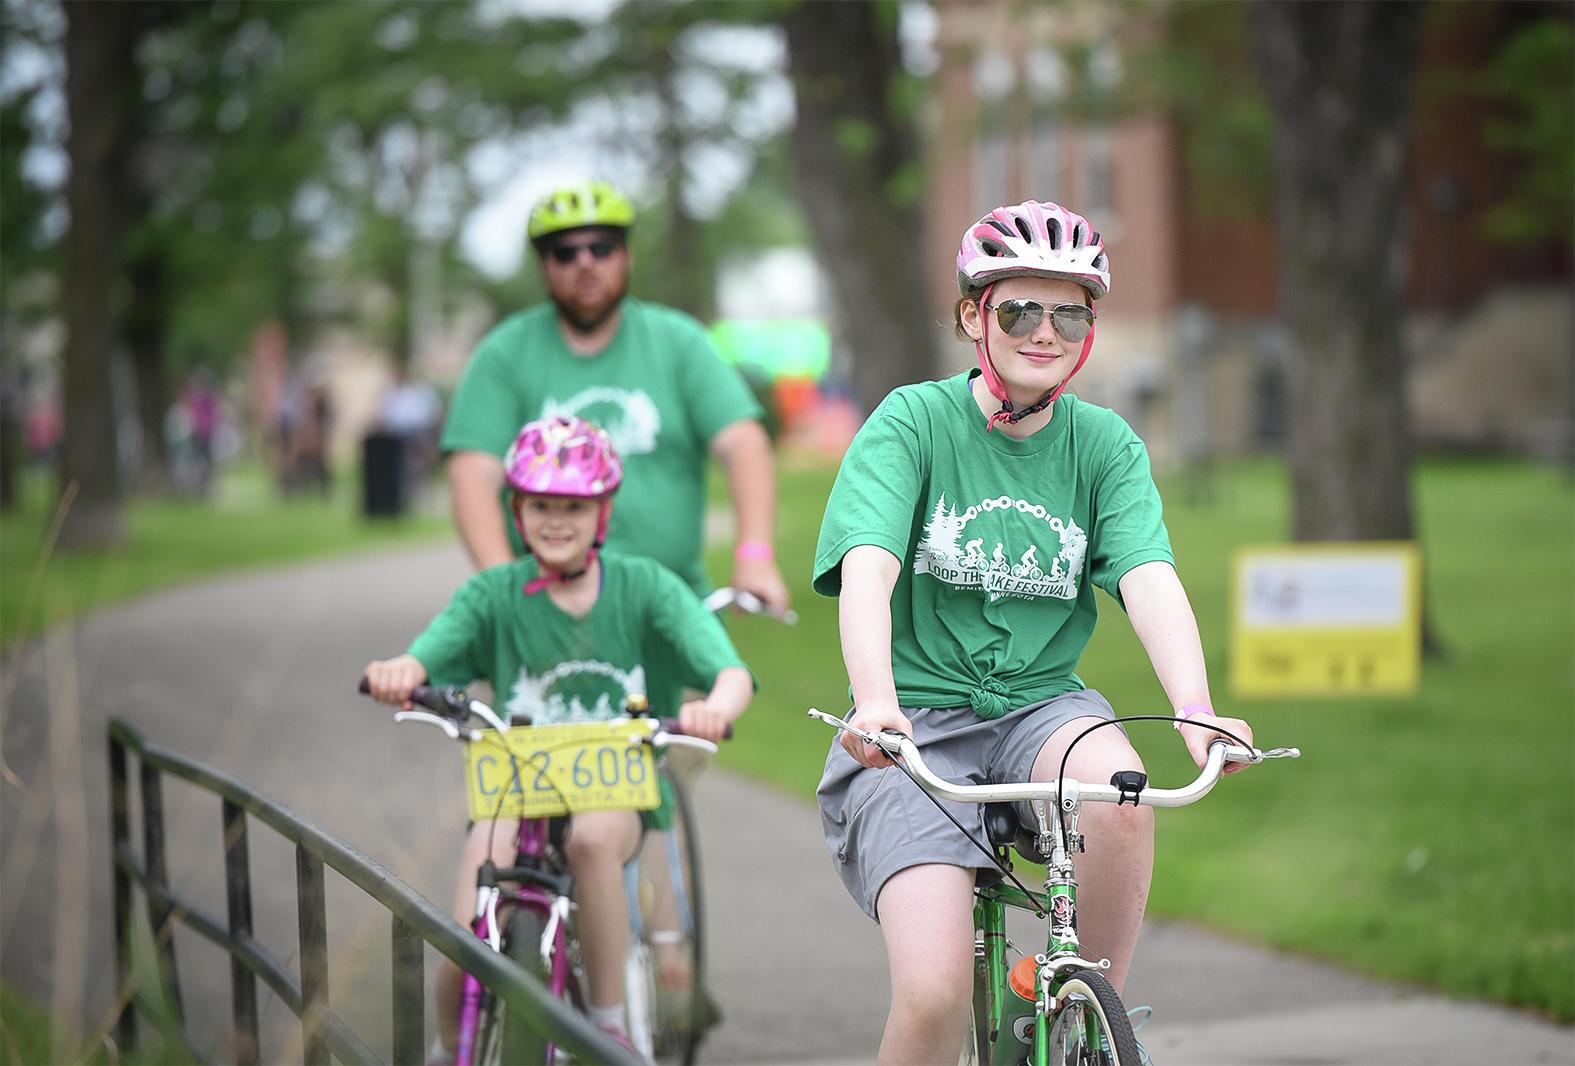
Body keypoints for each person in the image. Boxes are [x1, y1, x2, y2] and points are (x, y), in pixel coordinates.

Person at [812, 199, 1253, 1063]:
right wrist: (874, 702)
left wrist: (1196, 706)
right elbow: (867, 563)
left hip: (1042, 711)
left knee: (1119, 793)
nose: (1043, 331)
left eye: (1069, 312)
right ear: (975, 314)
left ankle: (1087, 1018)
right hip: (913, 724)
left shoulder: (1104, 445)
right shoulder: (913, 422)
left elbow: (1146, 576)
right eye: (1019, 308)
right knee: (934, 992)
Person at [363, 415, 754, 1057]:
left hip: (617, 786)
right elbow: (427, 657)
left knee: (594, 842)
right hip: (515, 790)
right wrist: (402, 671)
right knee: (463, 944)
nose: (556, 520)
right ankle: (453, 1047)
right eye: (540, 504)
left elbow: (729, 670)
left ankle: (605, 1023)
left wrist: (716, 705)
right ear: (516, 509)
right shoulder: (494, 594)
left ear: (601, 512)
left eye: (574, 506)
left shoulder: (645, 587)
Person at [441, 181, 789, 711]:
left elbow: (743, 443)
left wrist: (756, 553)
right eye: (565, 252)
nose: (585, 262)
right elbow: (472, 476)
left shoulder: (678, 342)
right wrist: (503, 594)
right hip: (546, 612)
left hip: (667, 611)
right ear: (544, 266)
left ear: (625, 256)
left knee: (679, 754)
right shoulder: (504, 355)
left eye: (601, 247)